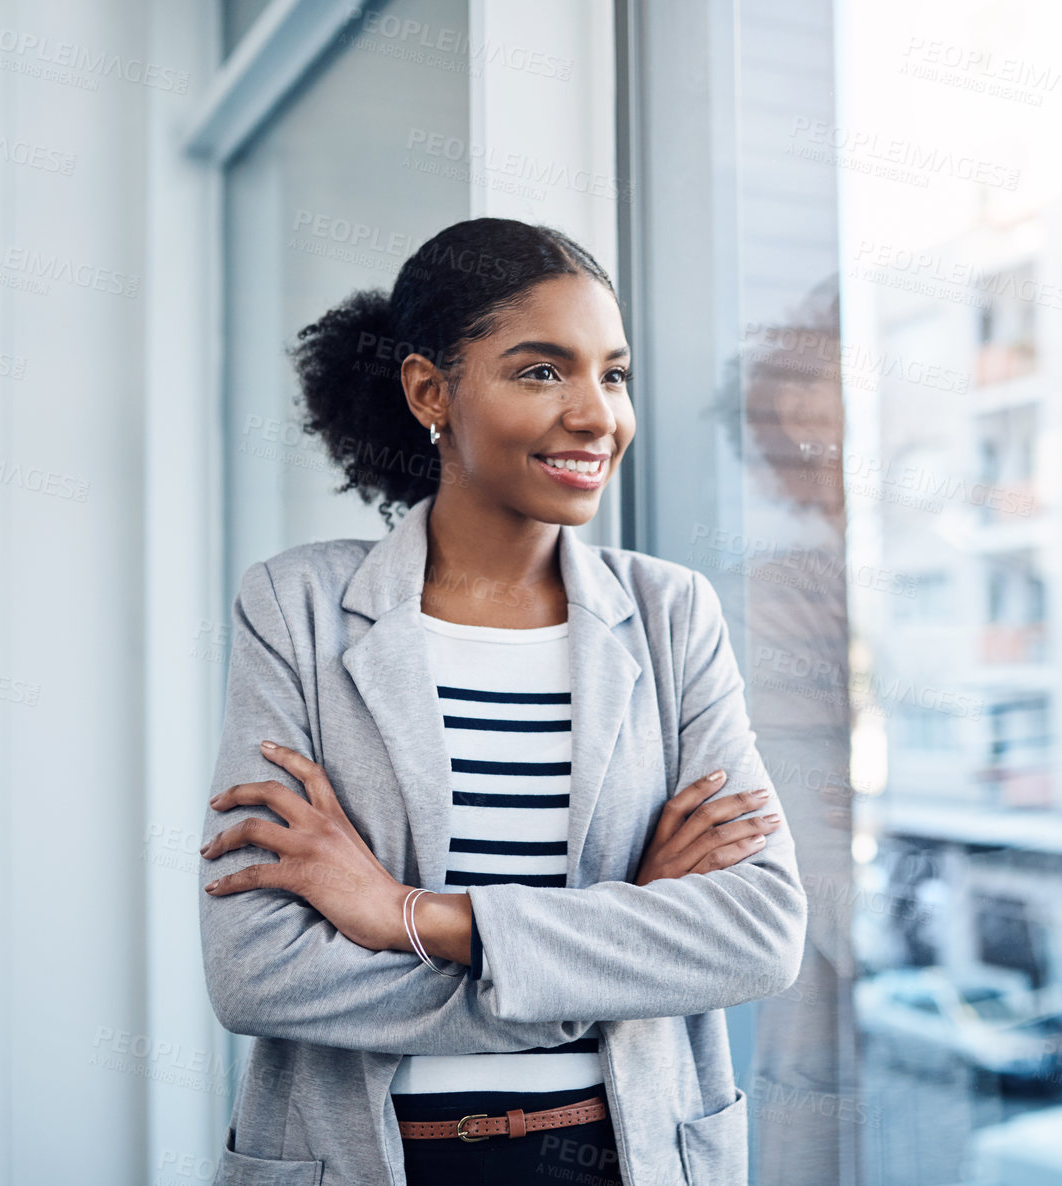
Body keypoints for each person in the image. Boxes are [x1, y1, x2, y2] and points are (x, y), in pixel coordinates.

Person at [196, 217, 807, 1185]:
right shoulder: (296, 607)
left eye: (613, 373)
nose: (596, 414)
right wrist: (614, 942)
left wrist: (414, 915)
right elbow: (257, 969)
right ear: (428, 391)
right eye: (540, 371)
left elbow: (759, 931)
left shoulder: (670, 615)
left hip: (623, 1155)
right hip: (370, 1158)